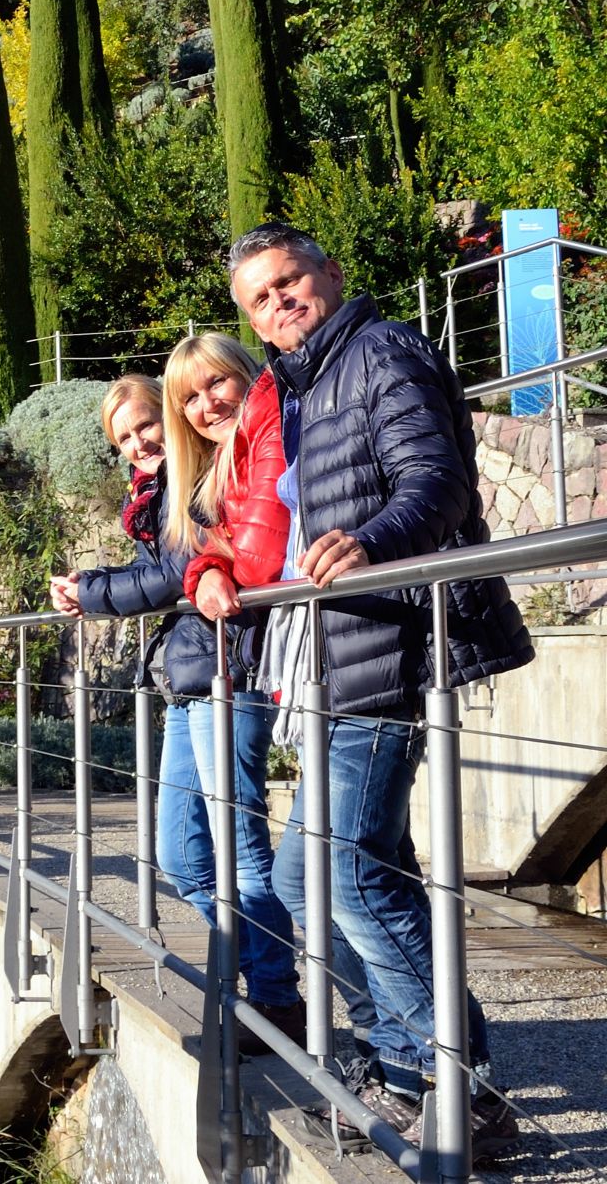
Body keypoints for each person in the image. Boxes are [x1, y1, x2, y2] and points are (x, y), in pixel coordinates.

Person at [227, 222, 533, 1154]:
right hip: (349, 649)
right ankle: (410, 1067)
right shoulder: (307, 380)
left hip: (393, 641)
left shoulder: (381, 349)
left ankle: (459, 1088)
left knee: (347, 873)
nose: (279, 302)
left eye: (289, 282)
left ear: (331, 273)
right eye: (260, 298)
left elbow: (433, 482)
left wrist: (370, 544)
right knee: (318, 873)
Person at [51, 360, 302, 1041]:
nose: (137, 443)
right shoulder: (162, 489)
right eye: (122, 438)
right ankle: (269, 986)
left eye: (145, 425)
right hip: (193, 681)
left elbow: (169, 575)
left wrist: (90, 594)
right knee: (186, 857)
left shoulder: (197, 480)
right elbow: (162, 571)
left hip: (229, 675)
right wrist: (92, 583)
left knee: (240, 853)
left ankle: (278, 1001)